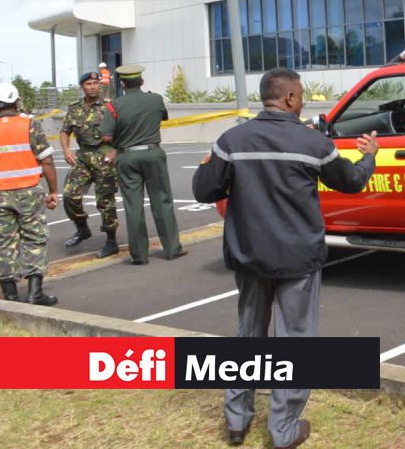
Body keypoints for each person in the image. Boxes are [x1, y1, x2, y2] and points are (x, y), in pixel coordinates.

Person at [192, 68, 379, 449]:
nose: (303, 101)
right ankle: (283, 429)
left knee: (248, 335)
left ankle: (237, 421)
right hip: (297, 258)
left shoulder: (231, 140)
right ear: (290, 98)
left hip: (249, 257)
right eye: (302, 95)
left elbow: (204, 190)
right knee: (295, 342)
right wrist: (369, 157)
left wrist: (207, 164)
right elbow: (351, 181)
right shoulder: (313, 143)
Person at [0, 83, 61, 304]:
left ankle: (10, 295)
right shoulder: (30, 125)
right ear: (16, 101)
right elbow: (47, 161)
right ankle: (35, 293)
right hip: (29, 192)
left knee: (3, 243)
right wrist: (53, 191)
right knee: (34, 239)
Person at [98, 64, 184, 264]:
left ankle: (139, 255)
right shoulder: (156, 99)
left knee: (133, 206)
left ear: (122, 84)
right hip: (153, 153)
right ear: (142, 81)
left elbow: (106, 137)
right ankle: (172, 249)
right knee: (162, 201)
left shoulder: (114, 106)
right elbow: (162, 117)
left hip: (127, 157)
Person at [58, 70, 120, 258]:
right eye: (88, 84)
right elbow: (64, 130)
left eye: (95, 83)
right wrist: (66, 150)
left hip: (104, 155)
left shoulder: (110, 106)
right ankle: (82, 228)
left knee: (105, 200)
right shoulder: (74, 108)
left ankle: (111, 241)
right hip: (83, 156)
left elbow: (123, 130)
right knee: (70, 195)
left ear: (100, 85)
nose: (93, 87)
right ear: (82, 87)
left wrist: (115, 151)